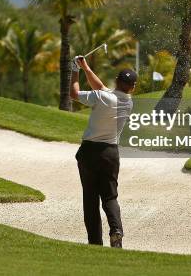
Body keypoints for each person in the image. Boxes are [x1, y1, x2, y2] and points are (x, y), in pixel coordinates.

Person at [69, 55, 137, 248]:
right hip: (110, 154)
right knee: (109, 197)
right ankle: (116, 230)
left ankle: (95, 243)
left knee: (90, 198)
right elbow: (102, 89)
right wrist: (86, 67)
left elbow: (74, 94)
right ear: (132, 87)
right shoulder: (128, 102)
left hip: (89, 152)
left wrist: (75, 70)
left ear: (116, 81)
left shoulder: (101, 97)